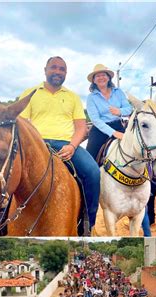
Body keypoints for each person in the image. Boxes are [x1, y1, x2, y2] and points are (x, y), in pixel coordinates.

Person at [19, 56, 101, 232]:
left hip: (66, 144)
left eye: (62, 69)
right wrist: (34, 144)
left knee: (93, 172)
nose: (57, 71)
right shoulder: (30, 92)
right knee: (10, 171)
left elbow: (80, 127)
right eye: (53, 67)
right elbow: (23, 123)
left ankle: (88, 223)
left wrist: (72, 146)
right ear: (45, 70)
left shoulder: (72, 97)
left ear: (66, 73)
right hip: (35, 144)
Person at [85, 64, 132, 161]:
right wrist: (114, 133)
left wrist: (119, 111)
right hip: (99, 130)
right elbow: (95, 120)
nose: (101, 77)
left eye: (103, 75)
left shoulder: (118, 92)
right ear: (94, 80)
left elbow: (129, 109)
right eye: (97, 76)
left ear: (108, 77)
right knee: (89, 158)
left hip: (118, 125)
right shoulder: (91, 97)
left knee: (134, 150)